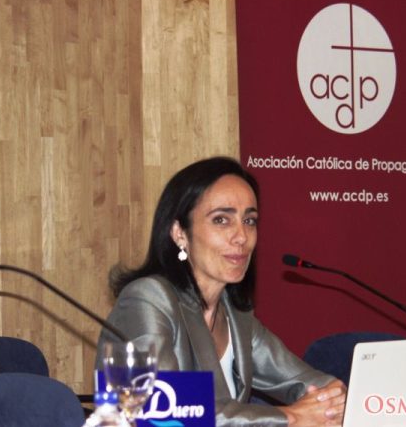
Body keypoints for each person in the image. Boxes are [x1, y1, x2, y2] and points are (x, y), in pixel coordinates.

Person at [95, 157, 346, 426]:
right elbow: (161, 410)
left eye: (249, 220)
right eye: (221, 220)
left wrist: (334, 399)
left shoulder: (236, 316)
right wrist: (290, 417)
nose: (241, 236)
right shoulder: (147, 299)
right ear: (180, 233)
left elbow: (305, 380)